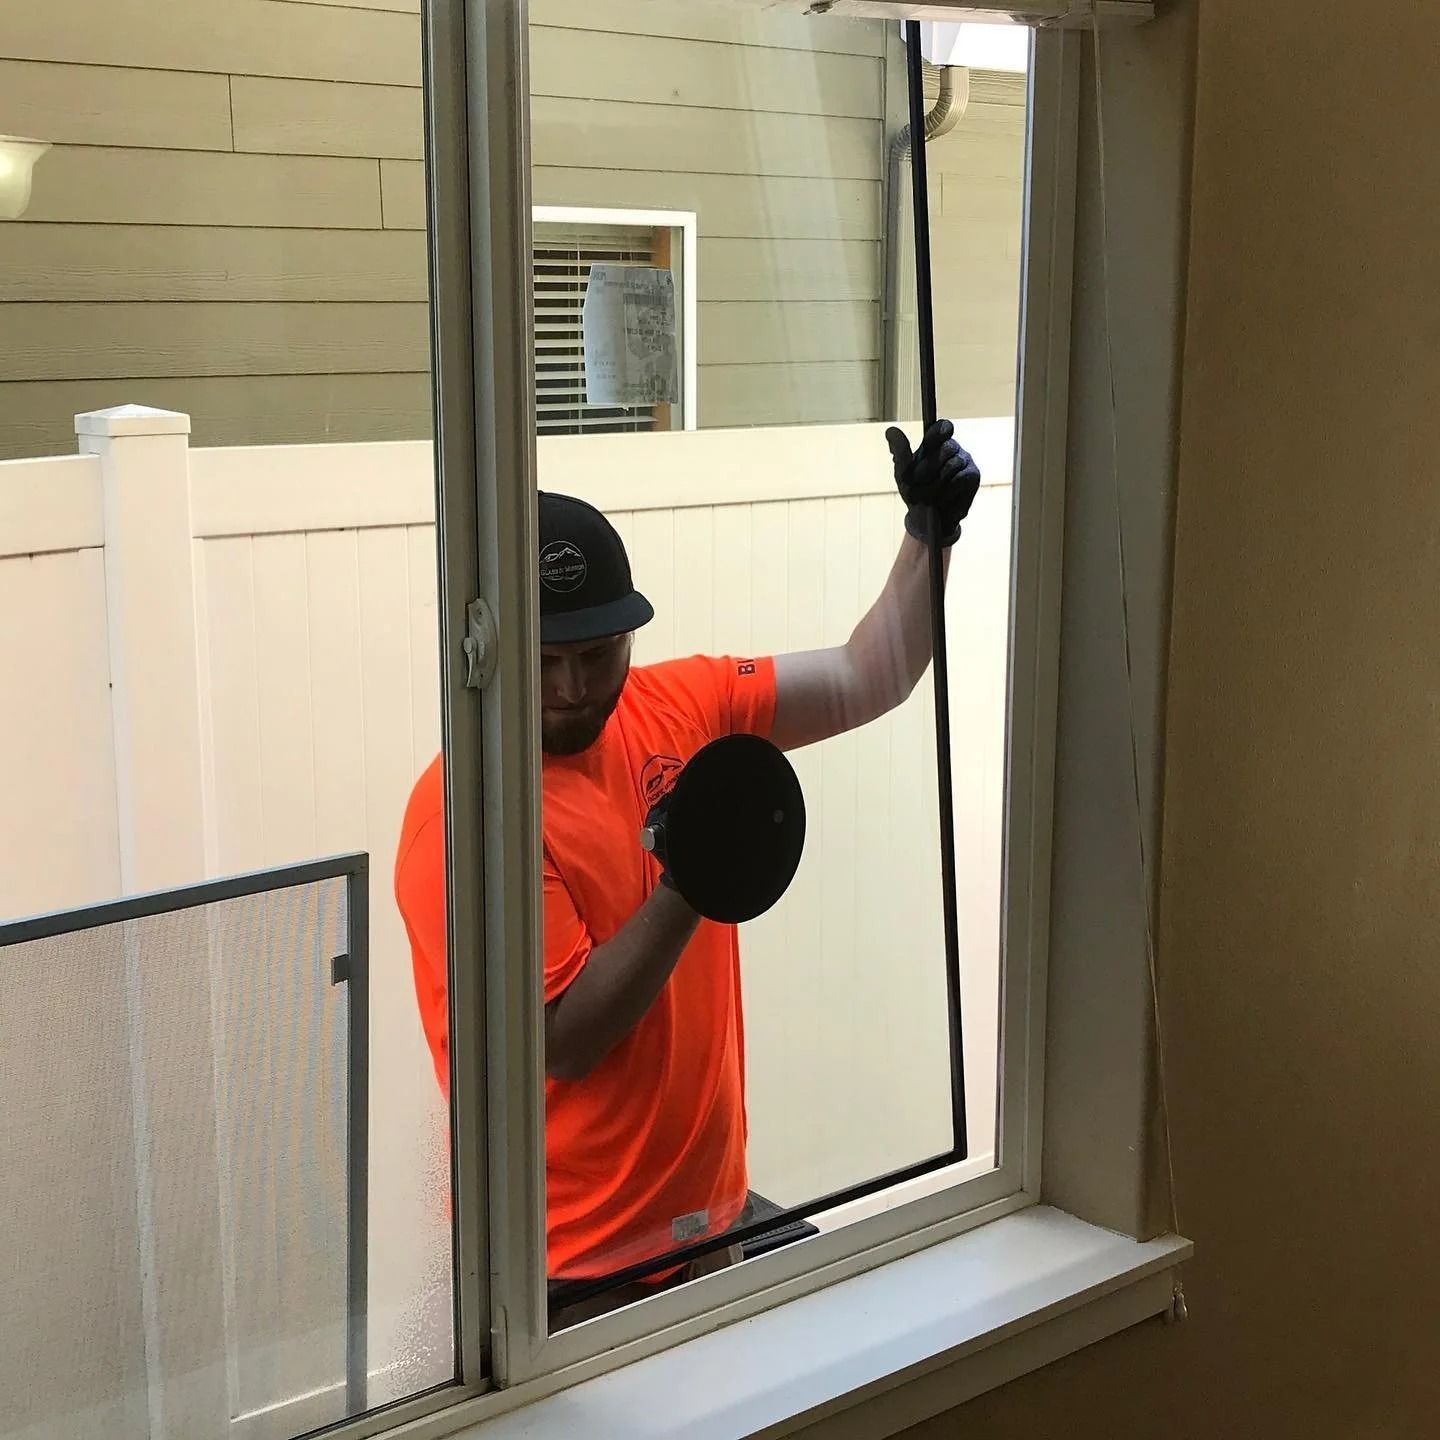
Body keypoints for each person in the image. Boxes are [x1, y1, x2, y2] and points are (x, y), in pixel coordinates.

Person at [394, 420, 981, 1328]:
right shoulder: (465, 815)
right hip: (564, 1275)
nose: (573, 689)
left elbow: (869, 676)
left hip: (708, 1226)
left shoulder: (680, 704)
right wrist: (691, 880)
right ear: (495, 645)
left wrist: (928, 539)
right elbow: (563, 1039)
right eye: (546, 662)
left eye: (597, 655)